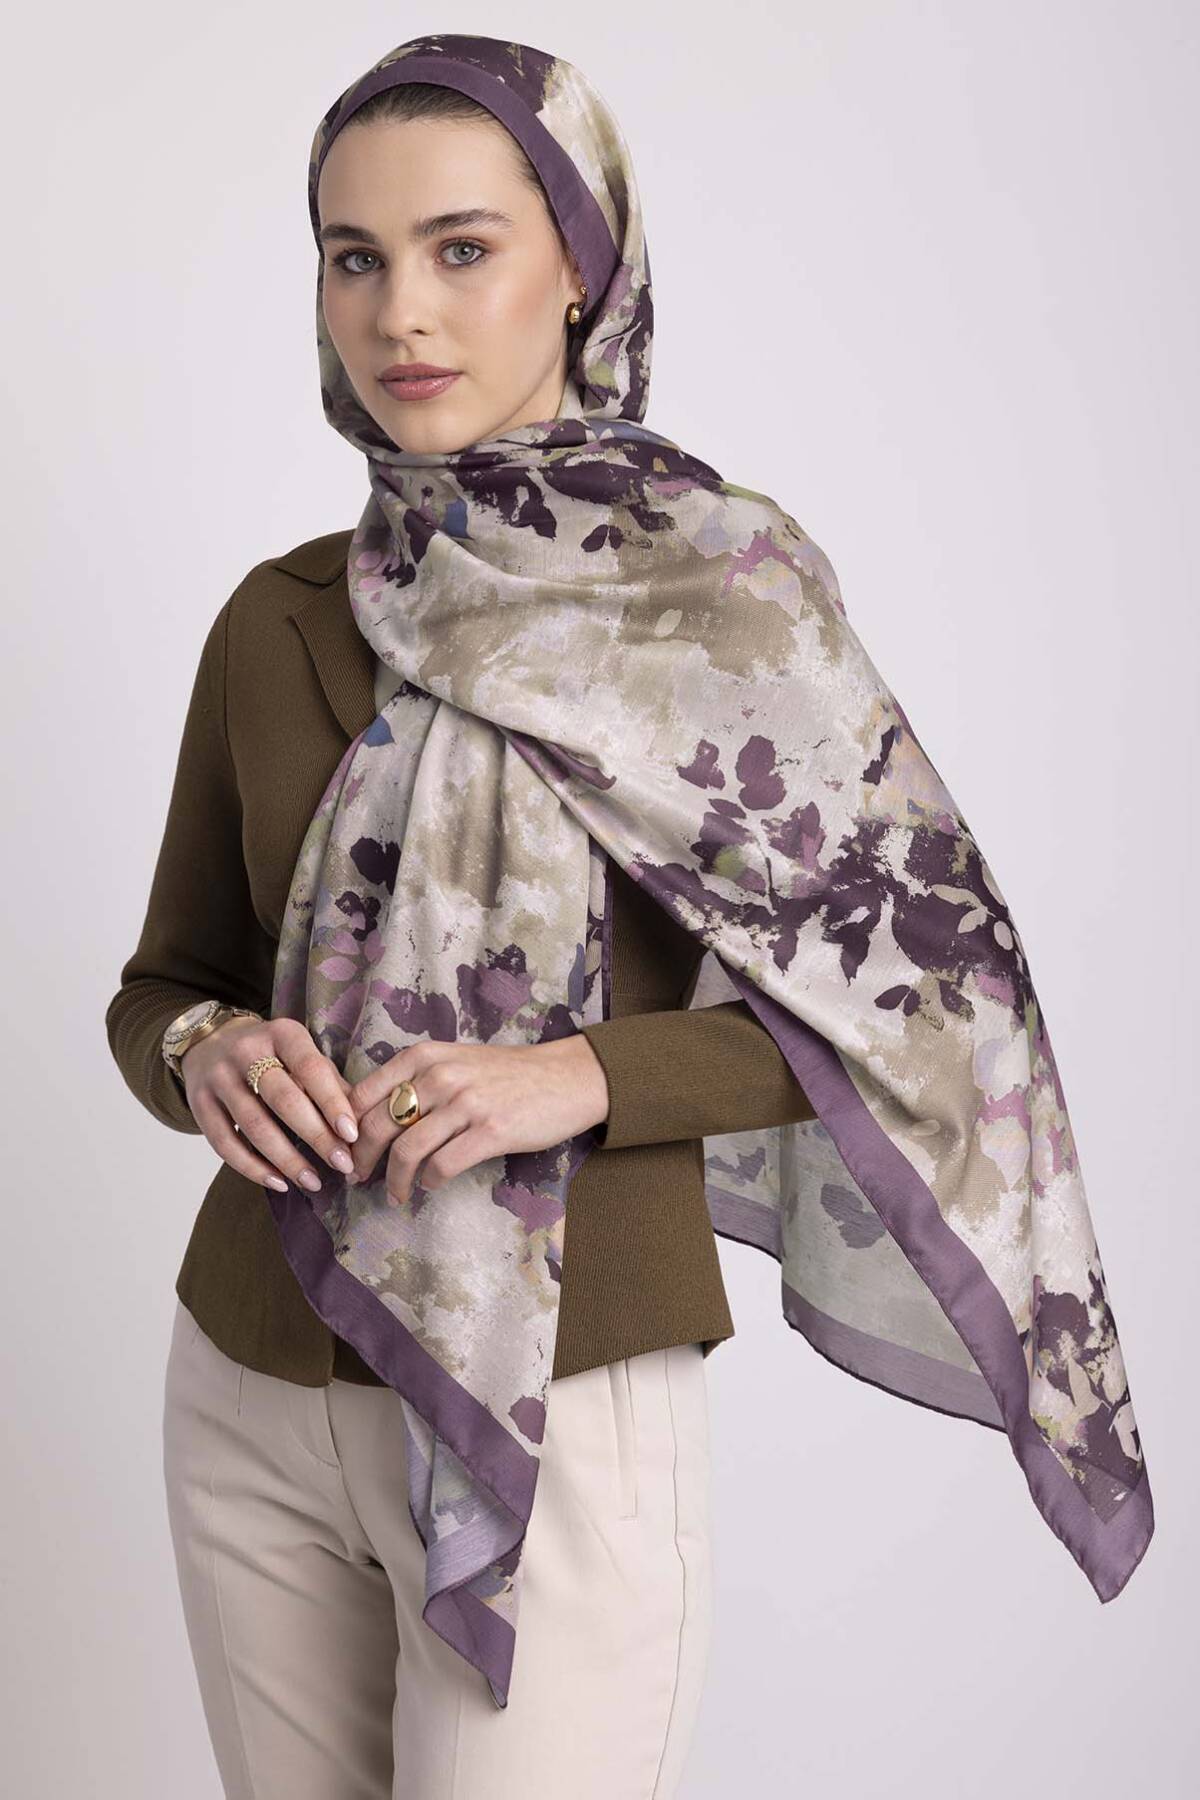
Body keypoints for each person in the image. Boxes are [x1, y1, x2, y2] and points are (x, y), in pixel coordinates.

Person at [105, 35, 817, 1800]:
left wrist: (579, 1076)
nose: (400, 312)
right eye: (355, 256)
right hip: (257, 1375)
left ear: (580, 262)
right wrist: (207, 1051)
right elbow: (164, 984)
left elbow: (894, 1020)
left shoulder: (718, 609)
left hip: (563, 1392)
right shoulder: (278, 617)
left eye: (462, 248)